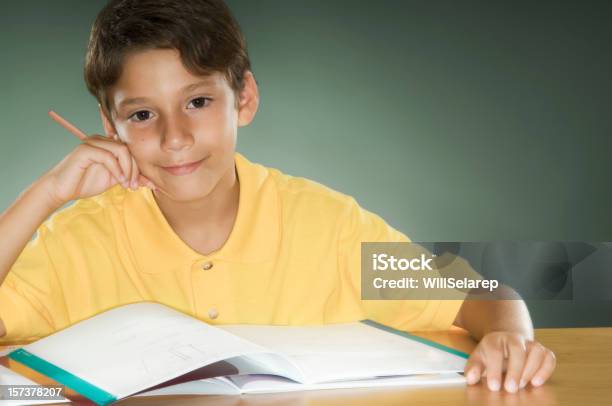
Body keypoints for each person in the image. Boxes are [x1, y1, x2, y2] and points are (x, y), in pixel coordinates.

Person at [0, 0, 555, 393]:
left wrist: (509, 338)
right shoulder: (76, 241)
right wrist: (47, 193)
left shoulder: (328, 226)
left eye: (198, 102)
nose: (174, 138)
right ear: (109, 125)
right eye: (142, 115)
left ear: (244, 98)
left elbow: (480, 294)